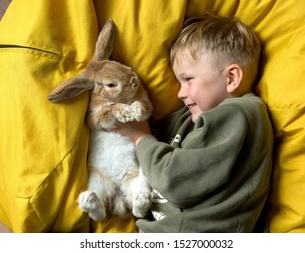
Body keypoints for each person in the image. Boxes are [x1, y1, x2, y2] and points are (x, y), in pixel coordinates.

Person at [113, 14, 274, 232]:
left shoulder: (240, 113)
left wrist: (141, 137)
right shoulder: (190, 117)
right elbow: (153, 131)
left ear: (231, 78)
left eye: (188, 79)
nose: (180, 93)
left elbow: (175, 181)